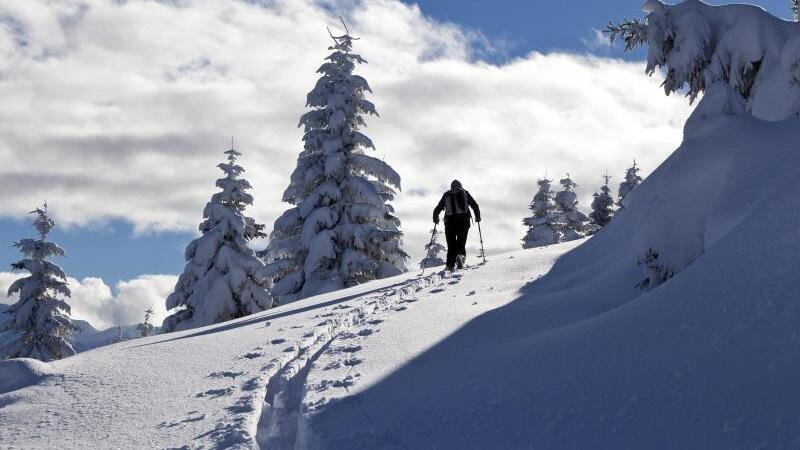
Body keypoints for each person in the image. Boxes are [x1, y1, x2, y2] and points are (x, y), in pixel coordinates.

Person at [433, 180, 481, 271]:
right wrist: (477, 217)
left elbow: (438, 208)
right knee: (461, 242)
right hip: (463, 221)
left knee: (451, 244)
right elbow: (475, 205)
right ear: (460, 186)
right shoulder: (464, 193)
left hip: (449, 222)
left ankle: (450, 265)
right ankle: (460, 257)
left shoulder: (447, 194)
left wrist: (435, 218)